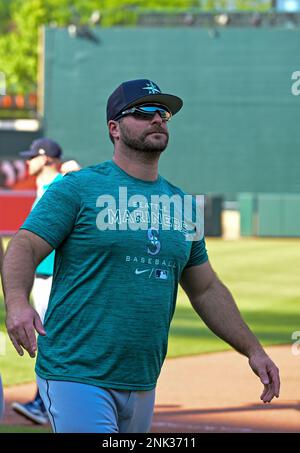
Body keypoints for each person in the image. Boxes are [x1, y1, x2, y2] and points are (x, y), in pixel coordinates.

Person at [2, 79, 280, 433]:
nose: (158, 119)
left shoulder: (182, 205)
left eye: (163, 113)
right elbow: (24, 245)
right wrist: (17, 303)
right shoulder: (77, 188)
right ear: (114, 128)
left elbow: (206, 288)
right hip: (76, 373)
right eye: (144, 111)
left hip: (143, 380)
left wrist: (253, 349)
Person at [10, 138, 64, 425]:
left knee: (51, 338)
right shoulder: (43, 188)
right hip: (42, 276)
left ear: (45, 159)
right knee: (49, 338)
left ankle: (44, 404)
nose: (27, 161)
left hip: (55, 276)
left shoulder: (60, 186)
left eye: (32, 156)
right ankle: (44, 401)